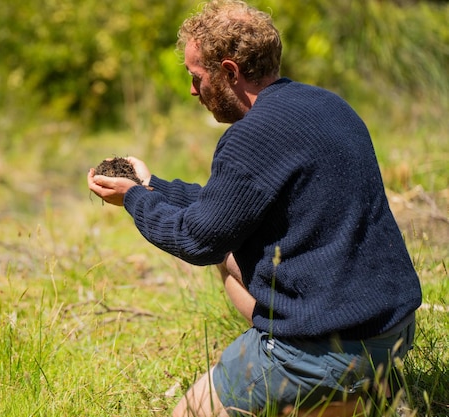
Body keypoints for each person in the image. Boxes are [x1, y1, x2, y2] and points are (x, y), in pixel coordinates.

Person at [87, 0, 422, 415]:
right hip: (392, 330)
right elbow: (225, 207)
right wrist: (152, 186)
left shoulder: (252, 136)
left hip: (328, 344)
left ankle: (307, 372)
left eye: (197, 77)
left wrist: (132, 200)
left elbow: (198, 240)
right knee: (231, 256)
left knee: (188, 413)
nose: (193, 91)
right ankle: (360, 395)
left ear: (229, 72)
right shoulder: (328, 104)